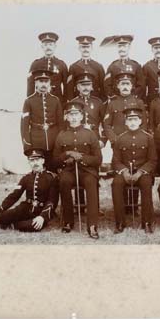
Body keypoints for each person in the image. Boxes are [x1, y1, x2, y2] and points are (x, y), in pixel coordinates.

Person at [53, 101, 102, 239]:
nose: (73, 118)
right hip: (69, 171)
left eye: (76, 114)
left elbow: (98, 159)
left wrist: (81, 158)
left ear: (82, 116)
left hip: (87, 171)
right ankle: (68, 221)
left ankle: (92, 225)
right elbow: (55, 160)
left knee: (91, 183)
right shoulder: (61, 135)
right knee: (64, 182)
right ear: (66, 117)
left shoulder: (90, 134)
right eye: (70, 115)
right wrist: (67, 154)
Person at [0, 148, 58, 232]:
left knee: (33, 226)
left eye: (37, 160)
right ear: (29, 163)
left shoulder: (51, 178)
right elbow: (14, 196)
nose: (35, 163)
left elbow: (52, 201)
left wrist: (42, 217)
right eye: (32, 161)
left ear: (43, 161)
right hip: (26, 208)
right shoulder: (26, 178)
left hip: (41, 211)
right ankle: (3, 222)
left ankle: (12, 226)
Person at [110, 107, 157, 234]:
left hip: (142, 172)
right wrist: (124, 171)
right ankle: (120, 222)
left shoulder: (148, 138)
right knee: (116, 184)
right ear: (125, 122)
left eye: (135, 119)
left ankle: (146, 222)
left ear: (140, 121)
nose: (132, 122)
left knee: (146, 184)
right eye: (129, 120)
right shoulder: (120, 138)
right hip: (125, 172)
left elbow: (152, 160)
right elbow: (115, 161)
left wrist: (140, 172)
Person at [21, 69, 63, 169]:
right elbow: (24, 125)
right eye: (41, 81)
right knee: (39, 168)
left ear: (49, 83)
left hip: (54, 139)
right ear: (35, 83)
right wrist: (27, 144)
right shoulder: (29, 101)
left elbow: (61, 122)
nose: (43, 84)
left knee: (54, 167)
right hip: (36, 140)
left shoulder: (55, 100)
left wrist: (61, 140)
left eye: (46, 81)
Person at [102, 72, 147, 146]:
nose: (125, 87)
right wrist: (114, 139)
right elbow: (107, 125)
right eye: (122, 84)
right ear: (118, 86)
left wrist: (139, 138)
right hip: (117, 142)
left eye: (127, 84)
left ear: (132, 86)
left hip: (136, 143)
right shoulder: (112, 104)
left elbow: (144, 123)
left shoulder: (139, 102)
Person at [26, 32, 69, 102]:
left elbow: (66, 87)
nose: (48, 47)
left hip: (58, 100)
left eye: (50, 44)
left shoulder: (61, 64)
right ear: (42, 46)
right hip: (39, 101)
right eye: (45, 45)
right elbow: (30, 86)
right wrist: (30, 102)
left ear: (55, 46)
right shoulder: (35, 64)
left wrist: (64, 104)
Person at [69, 73, 106, 148]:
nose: (85, 88)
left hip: (95, 138)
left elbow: (105, 123)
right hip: (77, 139)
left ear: (92, 87)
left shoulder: (98, 102)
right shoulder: (72, 102)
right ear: (78, 87)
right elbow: (68, 124)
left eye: (88, 85)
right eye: (83, 85)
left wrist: (103, 140)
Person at [103, 35, 145, 99]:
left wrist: (133, 97)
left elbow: (141, 85)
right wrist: (114, 98)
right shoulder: (112, 66)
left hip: (132, 101)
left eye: (124, 46)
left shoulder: (136, 66)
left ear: (129, 47)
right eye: (119, 46)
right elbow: (107, 85)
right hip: (117, 101)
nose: (122, 49)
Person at [65, 36, 106, 100]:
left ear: (91, 48)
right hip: (78, 101)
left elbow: (103, 88)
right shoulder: (73, 67)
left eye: (88, 47)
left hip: (95, 102)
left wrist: (102, 102)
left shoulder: (98, 67)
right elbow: (70, 88)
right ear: (79, 48)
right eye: (83, 47)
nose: (85, 49)